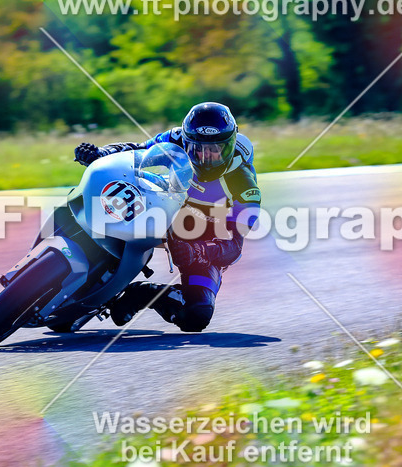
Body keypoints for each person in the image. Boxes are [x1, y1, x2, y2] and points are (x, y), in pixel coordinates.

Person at [73, 102, 261, 332]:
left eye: (216, 149)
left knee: (197, 315)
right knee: (114, 195)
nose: (206, 157)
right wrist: (100, 154)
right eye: (198, 148)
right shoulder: (177, 138)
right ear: (187, 140)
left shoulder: (244, 184)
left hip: (204, 234)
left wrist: (200, 251)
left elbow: (234, 247)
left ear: (230, 144)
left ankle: (145, 294)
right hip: (167, 202)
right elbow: (137, 151)